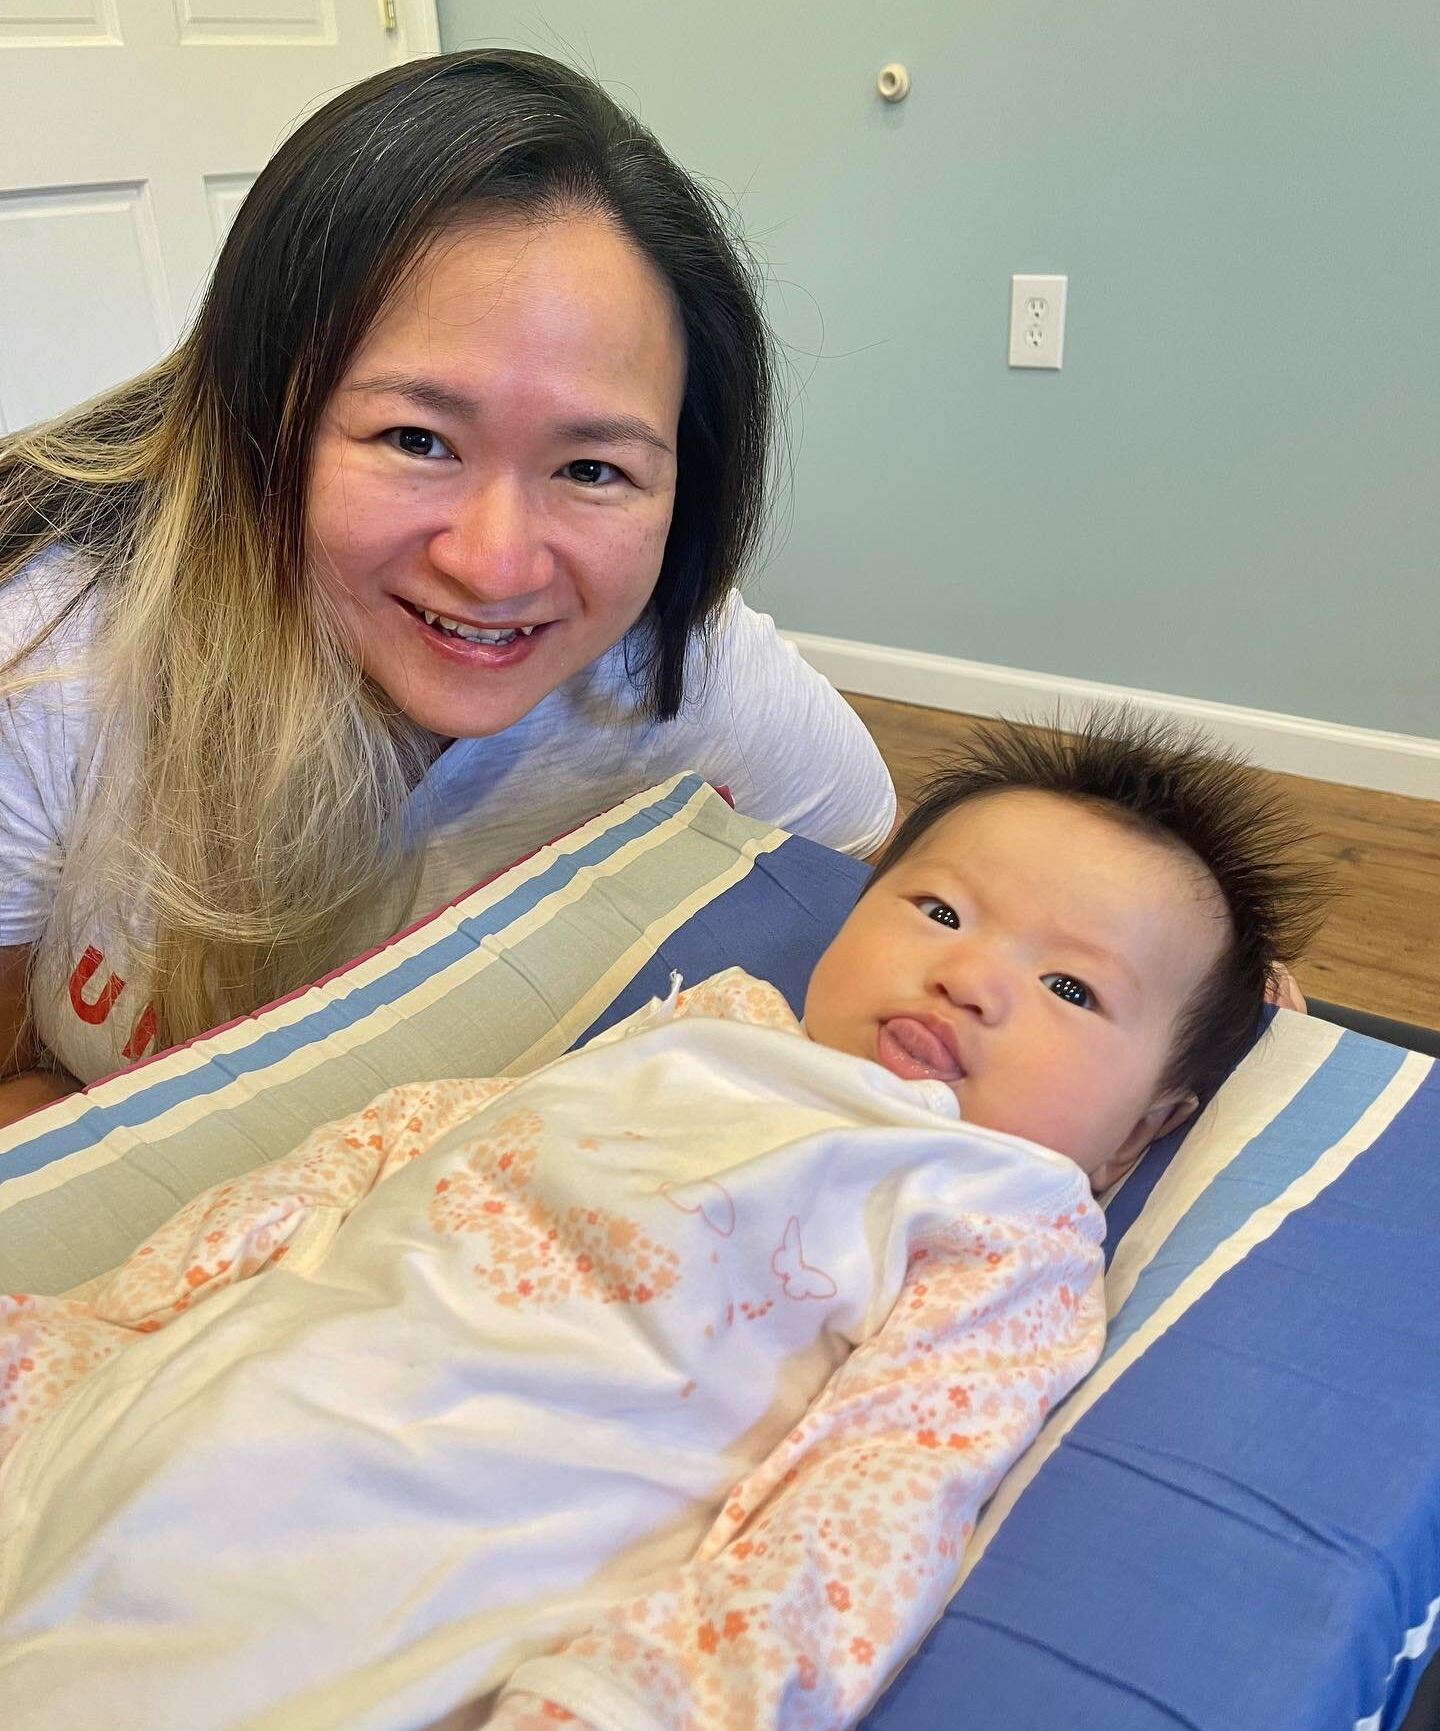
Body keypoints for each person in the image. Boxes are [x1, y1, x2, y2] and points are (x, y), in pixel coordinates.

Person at [0, 712, 1325, 1730]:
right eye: (936, 908)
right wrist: (134, 1305)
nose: (971, 974)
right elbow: (427, 1129)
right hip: (248, 1364)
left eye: (1071, 989)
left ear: (1144, 1132)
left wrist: (646, 1700)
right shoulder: (716, 1023)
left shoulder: (1003, 1215)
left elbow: (871, 1505)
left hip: (469, 1514)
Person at [0, 49, 895, 1126]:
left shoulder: (693, 675)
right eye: (417, 438)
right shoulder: (48, 653)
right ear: (257, 422)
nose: (496, 565)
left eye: (592, 468)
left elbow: (866, 886)